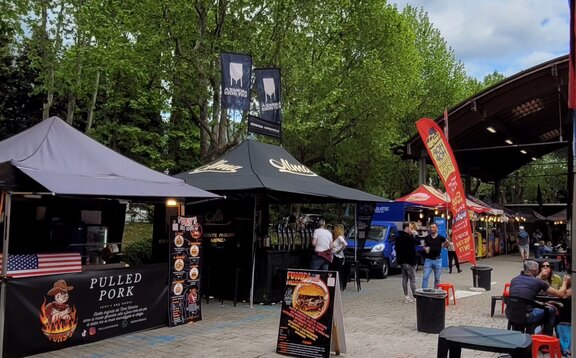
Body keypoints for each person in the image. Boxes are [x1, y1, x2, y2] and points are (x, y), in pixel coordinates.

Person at [509, 260, 570, 335]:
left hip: (510, 314)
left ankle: (520, 334)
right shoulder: (538, 282)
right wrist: (565, 282)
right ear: (534, 270)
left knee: (535, 308)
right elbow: (560, 294)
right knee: (551, 310)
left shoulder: (514, 280)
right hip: (527, 316)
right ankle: (547, 336)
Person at [395, 222, 420, 303]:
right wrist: (415, 234)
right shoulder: (409, 237)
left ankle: (406, 297)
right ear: (406, 228)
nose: (411, 229)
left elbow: (397, 249)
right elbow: (418, 242)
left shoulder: (398, 237)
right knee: (412, 279)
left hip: (402, 261)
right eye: (410, 227)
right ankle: (415, 297)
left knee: (404, 278)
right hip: (409, 261)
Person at [421, 223, 447, 289]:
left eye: (433, 227)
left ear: (437, 229)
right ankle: (424, 294)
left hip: (437, 260)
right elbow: (424, 246)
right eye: (431, 227)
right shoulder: (427, 237)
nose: (431, 229)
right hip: (428, 260)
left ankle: (435, 292)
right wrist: (425, 248)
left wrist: (443, 246)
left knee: (437, 278)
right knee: (425, 277)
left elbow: (447, 242)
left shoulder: (440, 237)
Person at [330, 224, 348, 288]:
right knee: (335, 271)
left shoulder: (339, 237)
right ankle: (335, 285)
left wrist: (339, 250)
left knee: (335, 271)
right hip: (334, 256)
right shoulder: (336, 237)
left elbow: (345, 244)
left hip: (337, 257)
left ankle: (337, 285)